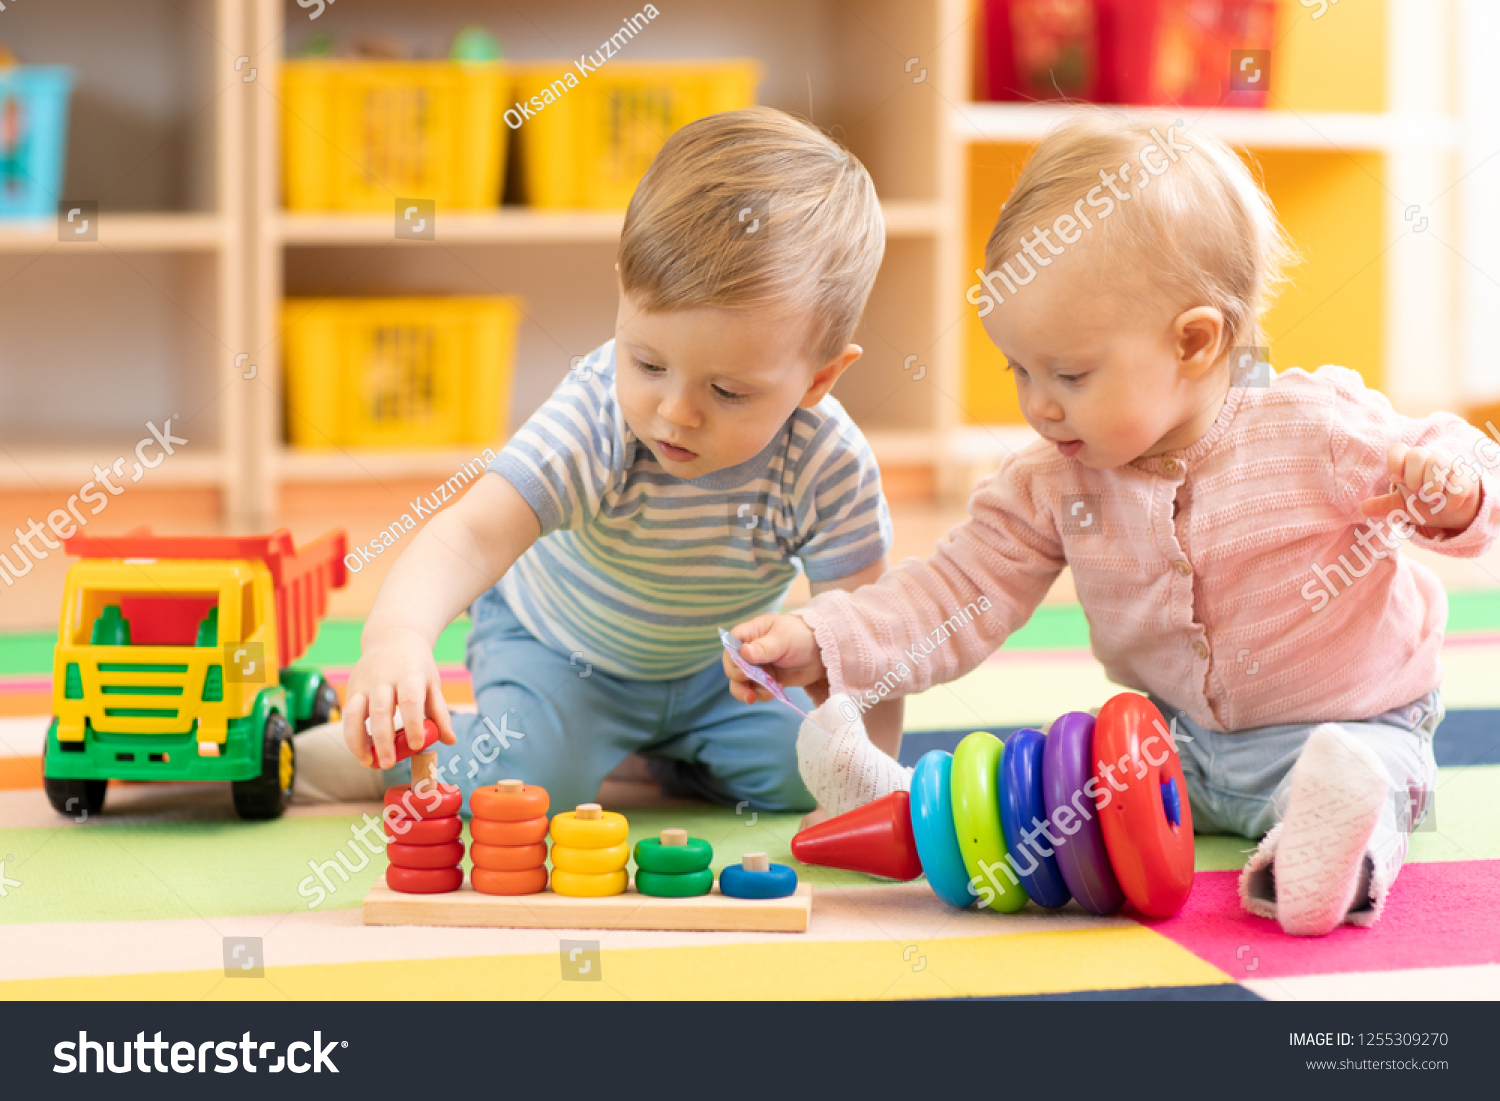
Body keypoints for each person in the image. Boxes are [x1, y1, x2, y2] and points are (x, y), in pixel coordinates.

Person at [726, 110, 1496, 936]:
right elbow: (955, 590)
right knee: (1054, 793)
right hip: (1178, 748)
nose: (1037, 402)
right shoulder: (1054, 476)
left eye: (1069, 372)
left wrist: (1451, 487)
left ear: (1195, 343)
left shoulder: (1313, 426)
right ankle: (903, 810)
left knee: (1368, 780)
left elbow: (1451, 458)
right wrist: (825, 640)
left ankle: (1311, 865)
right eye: (1018, 368)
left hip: (1351, 724)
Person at [313, 106, 901, 816]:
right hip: (558, 650)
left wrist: (867, 783)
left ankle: (659, 758)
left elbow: (864, 639)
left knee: (806, 773)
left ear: (817, 380)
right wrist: (396, 638)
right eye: (647, 361)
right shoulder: (594, 419)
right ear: (623, 291)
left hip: (720, 672)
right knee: (523, 788)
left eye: (727, 390)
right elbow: (469, 535)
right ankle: (374, 758)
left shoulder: (829, 464)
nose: (675, 411)